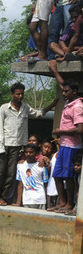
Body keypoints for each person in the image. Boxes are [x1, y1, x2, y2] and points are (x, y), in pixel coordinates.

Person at [0, 82, 57, 206]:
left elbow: (38, 113)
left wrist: (52, 105)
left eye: (22, 94)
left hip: (18, 146)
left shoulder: (25, 107)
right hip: (5, 145)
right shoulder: (4, 108)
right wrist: (0, 147)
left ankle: (3, 198)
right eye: (18, 94)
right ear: (12, 95)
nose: (20, 96)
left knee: (11, 173)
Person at [50, 80, 83, 213]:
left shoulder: (77, 106)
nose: (63, 94)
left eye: (66, 91)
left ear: (74, 91)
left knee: (69, 176)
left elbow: (80, 129)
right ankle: (62, 202)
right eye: (63, 91)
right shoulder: (68, 103)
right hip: (64, 144)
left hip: (72, 146)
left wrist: (60, 131)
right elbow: (61, 83)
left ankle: (69, 204)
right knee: (57, 174)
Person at [16, 143, 50, 209]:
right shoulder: (20, 166)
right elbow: (20, 184)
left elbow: (45, 184)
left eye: (31, 152)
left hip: (40, 200)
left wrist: (47, 203)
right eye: (26, 152)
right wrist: (18, 202)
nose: (28, 154)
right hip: (26, 200)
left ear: (36, 153)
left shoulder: (42, 166)